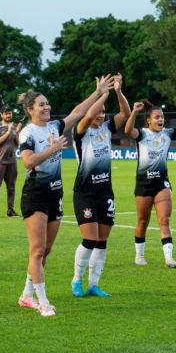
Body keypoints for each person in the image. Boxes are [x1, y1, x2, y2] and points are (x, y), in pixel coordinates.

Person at [16, 75, 115, 317]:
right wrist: (52, 149)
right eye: (41, 104)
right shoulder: (27, 133)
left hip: (54, 195)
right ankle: (43, 301)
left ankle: (26, 295)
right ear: (30, 110)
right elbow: (28, 162)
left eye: (47, 103)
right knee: (37, 250)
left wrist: (98, 92)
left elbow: (77, 112)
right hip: (35, 195)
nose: (47, 107)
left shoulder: (54, 127)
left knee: (46, 250)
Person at [71, 74, 130, 298]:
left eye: (103, 112)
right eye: (99, 111)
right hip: (84, 192)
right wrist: (102, 93)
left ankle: (93, 284)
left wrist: (117, 92)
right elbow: (86, 116)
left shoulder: (106, 128)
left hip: (105, 192)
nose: (101, 115)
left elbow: (125, 114)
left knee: (102, 239)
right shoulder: (80, 131)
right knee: (89, 239)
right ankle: (77, 280)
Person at [124, 98, 176, 268]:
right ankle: (139, 255)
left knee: (164, 220)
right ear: (148, 120)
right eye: (157, 117)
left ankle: (168, 259)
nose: (161, 120)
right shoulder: (142, 134)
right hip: (143, 184)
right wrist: (134, 111)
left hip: (161, 184)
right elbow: (128, 130)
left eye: (162, 117)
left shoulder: (167, 133)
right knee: (142, 222)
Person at [0, 105, 22, 218]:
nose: (8, 115)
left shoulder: (14, 126)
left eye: (10, 113)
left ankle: (10, 210)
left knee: (11, 187)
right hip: (0, 161)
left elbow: (18, 144)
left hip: (12, 161)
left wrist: (17, 132)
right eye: (6, 113)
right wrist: (8, 132)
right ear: (2, 115)